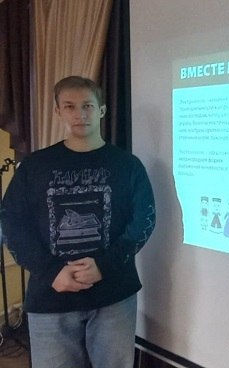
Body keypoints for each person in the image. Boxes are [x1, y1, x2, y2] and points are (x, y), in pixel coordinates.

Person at [1, 76, 156, 368]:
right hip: (50, 297)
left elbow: (143, 221)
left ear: (102, 110)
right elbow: (12, 222)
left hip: (114, 295)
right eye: (70, 106)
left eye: (87, 106)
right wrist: (51, 271)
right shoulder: (34, 166)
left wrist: (104, 266)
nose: (79, 114)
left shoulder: (128, 165)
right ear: (58, 111)